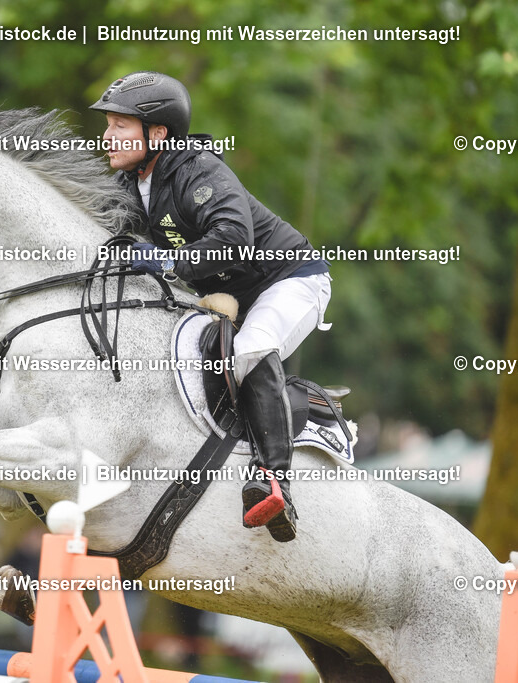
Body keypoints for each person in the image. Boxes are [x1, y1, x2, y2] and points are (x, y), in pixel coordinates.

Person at [91, 71, 332, 543]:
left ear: (157, 133)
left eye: (121, 126)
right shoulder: (127, 184)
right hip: (227, 291)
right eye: (109, 125)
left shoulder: (197, 169)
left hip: (288, 279)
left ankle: (272, 479)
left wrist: (164, 259)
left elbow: (233, 240)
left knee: (252, 348)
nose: (107, 135)